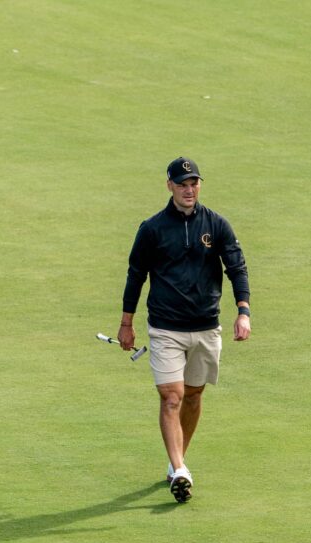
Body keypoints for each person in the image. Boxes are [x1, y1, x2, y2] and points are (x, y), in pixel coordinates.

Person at [117, 157, 251, 503]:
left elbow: (236, 267)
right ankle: (179, 469)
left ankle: (176, 462)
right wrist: (126, 323)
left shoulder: (217, 225)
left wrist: (243, 311)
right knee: (172, 396)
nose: (189, 189)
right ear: (170, 187)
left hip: (206, 326)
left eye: (194, 183)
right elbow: (136, 274)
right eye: (182, 184)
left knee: (193, 396)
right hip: (166, 328)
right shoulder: (152, 229)